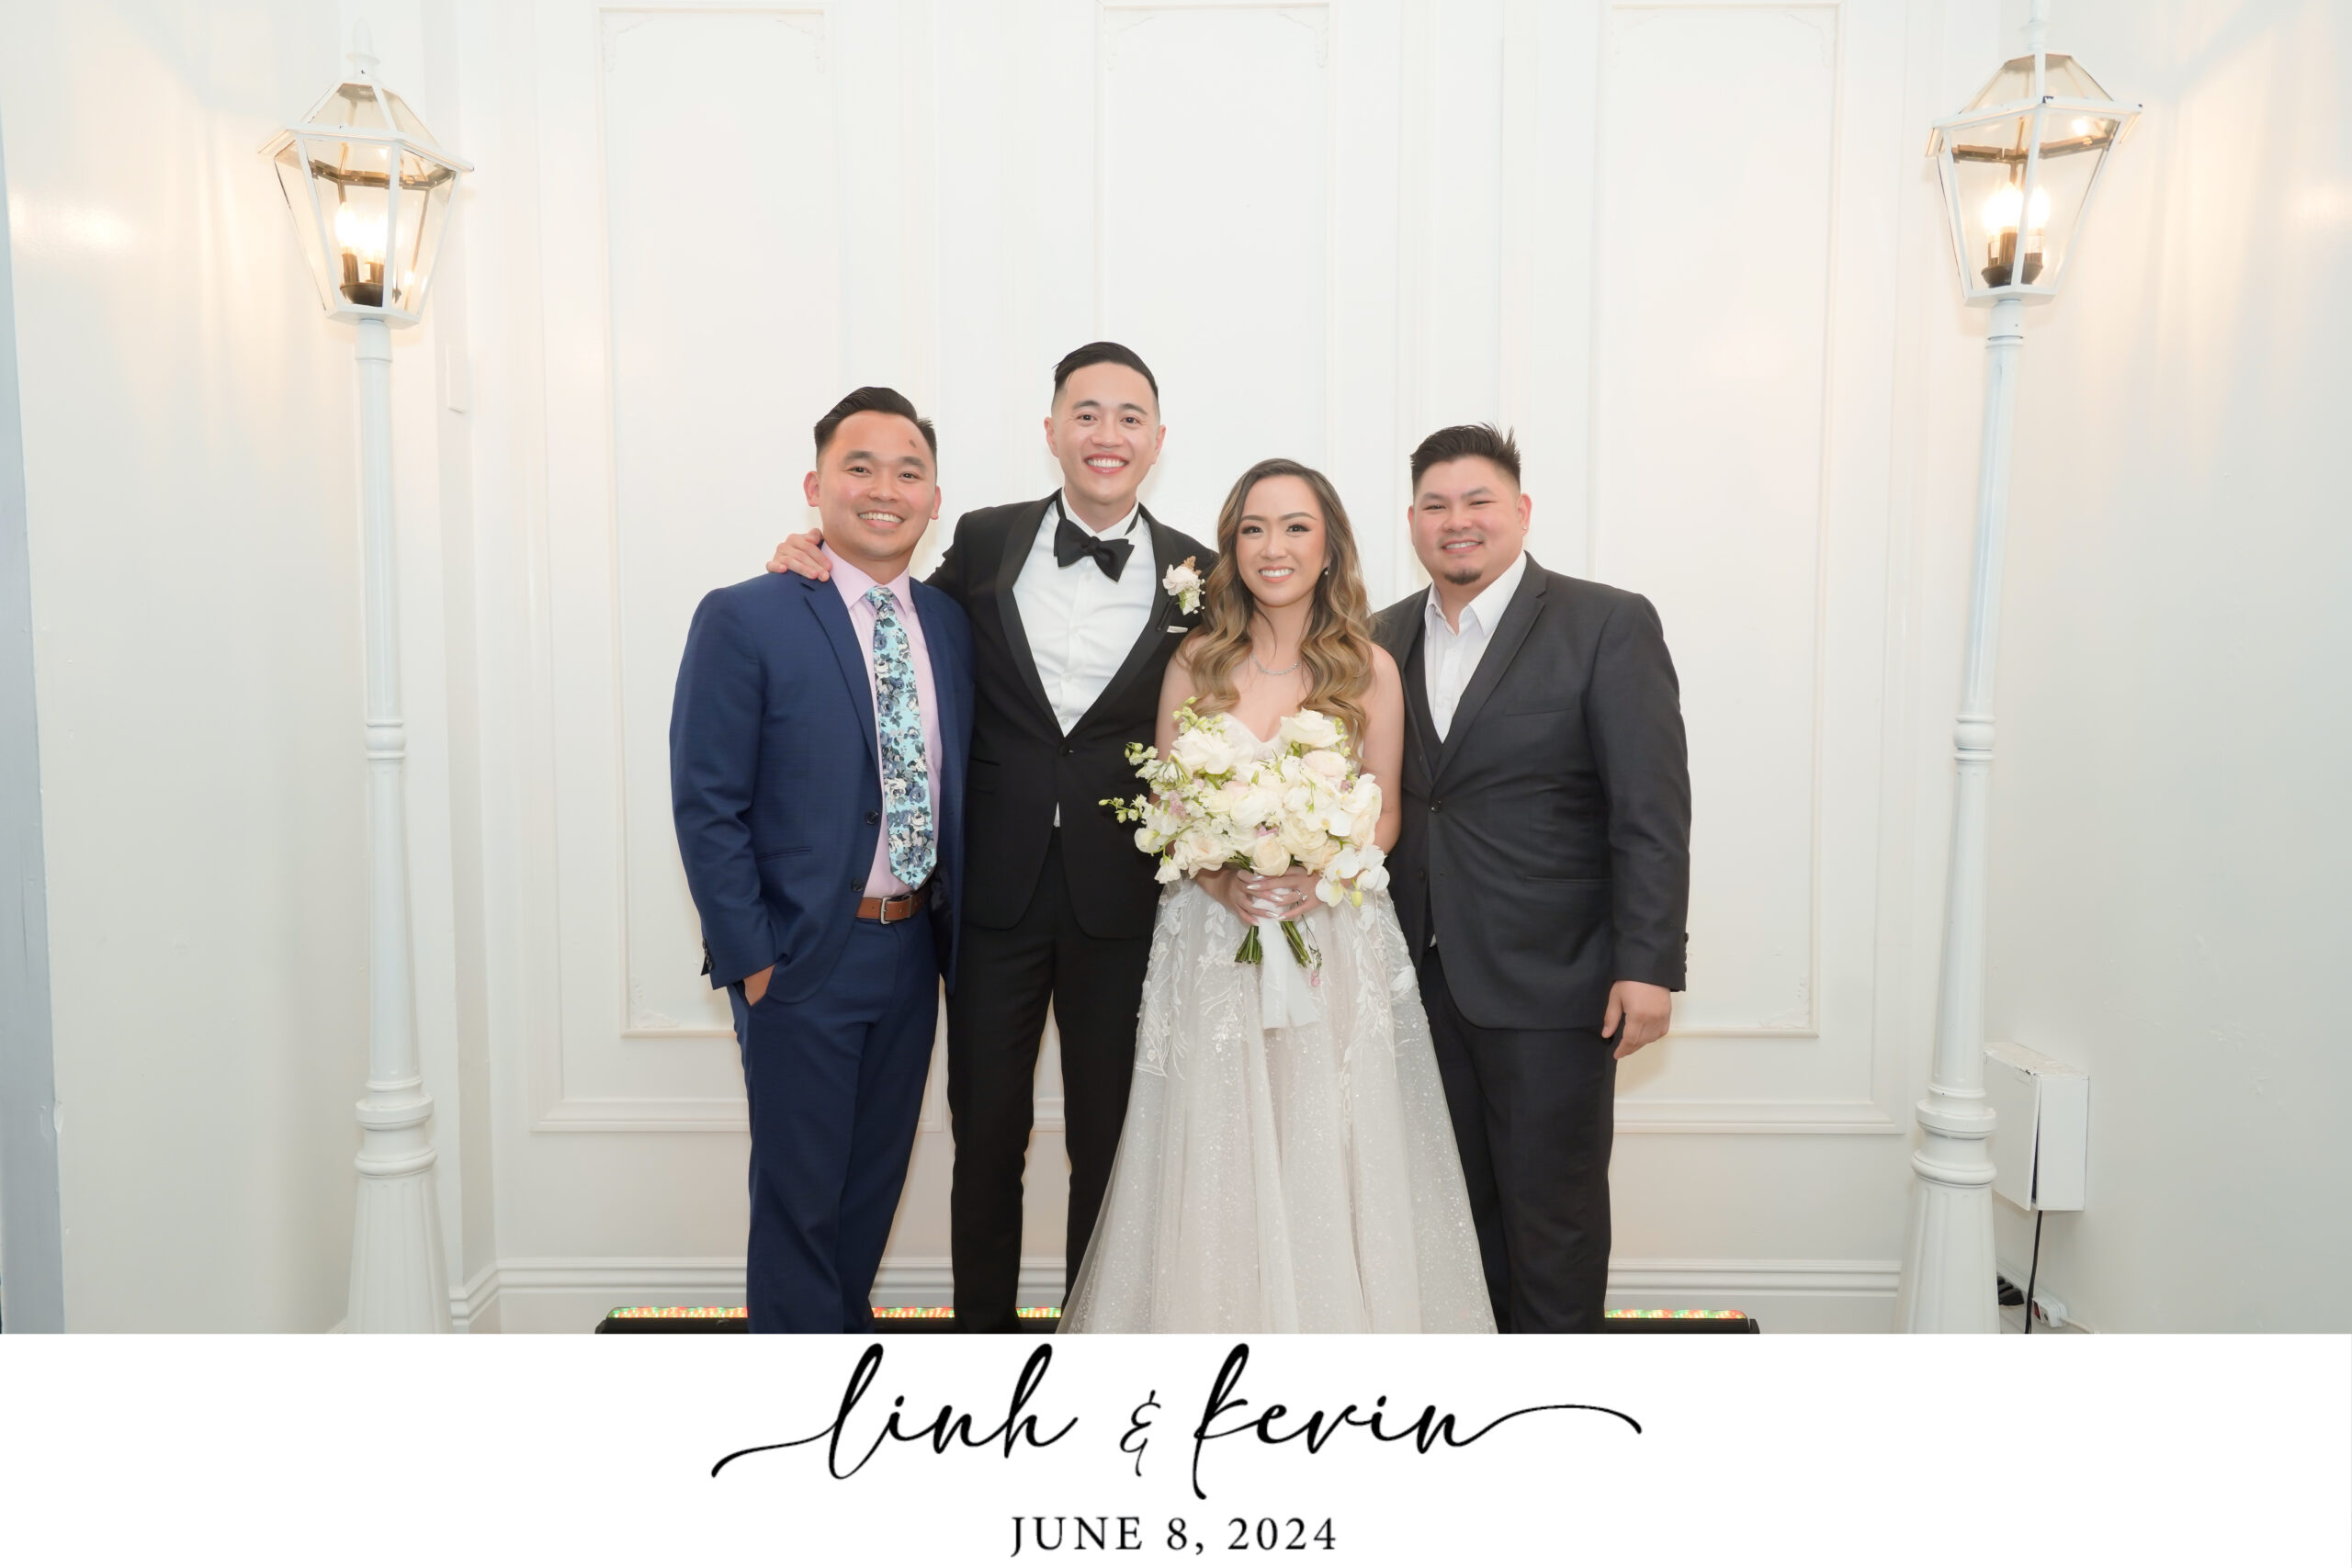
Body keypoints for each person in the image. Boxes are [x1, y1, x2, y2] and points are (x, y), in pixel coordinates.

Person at [763, 344, 1216, 1330]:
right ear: (1051, 430)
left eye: (1128, 417)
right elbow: (886, 609)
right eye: (1085, 414)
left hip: (1124, 898)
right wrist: (810, 557)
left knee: (1109, 1140)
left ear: (1158, 440)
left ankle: (1097, 1337)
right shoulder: (982, 538)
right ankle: (982, 1344)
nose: (1106, 435)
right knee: (987, 1138)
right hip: (987, 896)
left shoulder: (1201, 570)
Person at [1057, 458, 1494, 1333]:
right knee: (1216, 1140)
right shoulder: (1196, 661)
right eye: (1253, 528)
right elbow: (1169, 805)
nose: (1274, 546)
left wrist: (1316, 873)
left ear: (1329, 545)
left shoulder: (1368, 667)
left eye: (1296, 526)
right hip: (1213, 939)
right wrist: (1222, 876)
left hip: (1330, 933)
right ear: (1232, 548)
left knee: (1326, 1137)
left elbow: (1386, 813)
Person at [1372, 423, 1691, 1333]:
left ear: (1520, 510)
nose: (1457, 521)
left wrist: (1648, 965)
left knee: (1552, 1230)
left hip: (1556, 985)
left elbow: (1650, 807)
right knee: (1448, 1228)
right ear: (1412, 520)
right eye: (1436, 505)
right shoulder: (1379, 637)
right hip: (1414, 984)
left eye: (1478, 501)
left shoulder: (1606, 623)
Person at [671, 387, 974, 1333]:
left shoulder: (950, 625)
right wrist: (753, 959)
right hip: (800, 959)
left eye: (908, 472)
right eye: (859, 467)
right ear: (815, 486)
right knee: (799, 1205)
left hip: (913, 953)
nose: (885, 489)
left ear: (934, 499)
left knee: (867, 1195)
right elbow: (707, 801)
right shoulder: (747, 615)